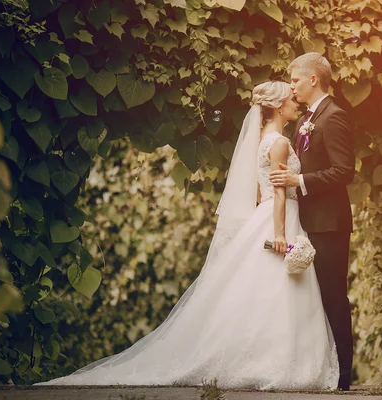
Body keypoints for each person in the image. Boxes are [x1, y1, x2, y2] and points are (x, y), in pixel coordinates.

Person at [34, 81, 339, 390]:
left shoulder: (264, 140)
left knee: (264, 291)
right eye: (290, 99)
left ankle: (265, 359)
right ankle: (276, 363)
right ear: (276, 106)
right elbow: (275, 192)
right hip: (279, 219)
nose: (296, 104)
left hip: (273, 215)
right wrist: (278, 235)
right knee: (277, 290)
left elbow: (261, 190)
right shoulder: (280, 143)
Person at [269, 53, 355, 391]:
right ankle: (325, 369)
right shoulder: (309, 118)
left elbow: (343, 171)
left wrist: (299, 181)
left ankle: (344, 376)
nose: (292, 87)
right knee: (316, 296)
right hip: (310, 220)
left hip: (329, 222)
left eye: (295, 80)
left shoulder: (334, 117)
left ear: (313, 80)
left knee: (334, 295)